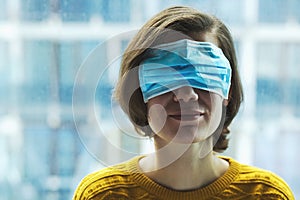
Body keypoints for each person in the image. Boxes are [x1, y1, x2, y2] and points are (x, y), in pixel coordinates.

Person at [73, 6, 294, 200]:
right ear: (140, 93)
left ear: (228, 90)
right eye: (165, 77)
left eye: (205, 75)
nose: (187, 95)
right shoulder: (102, 195)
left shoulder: (266, 195)